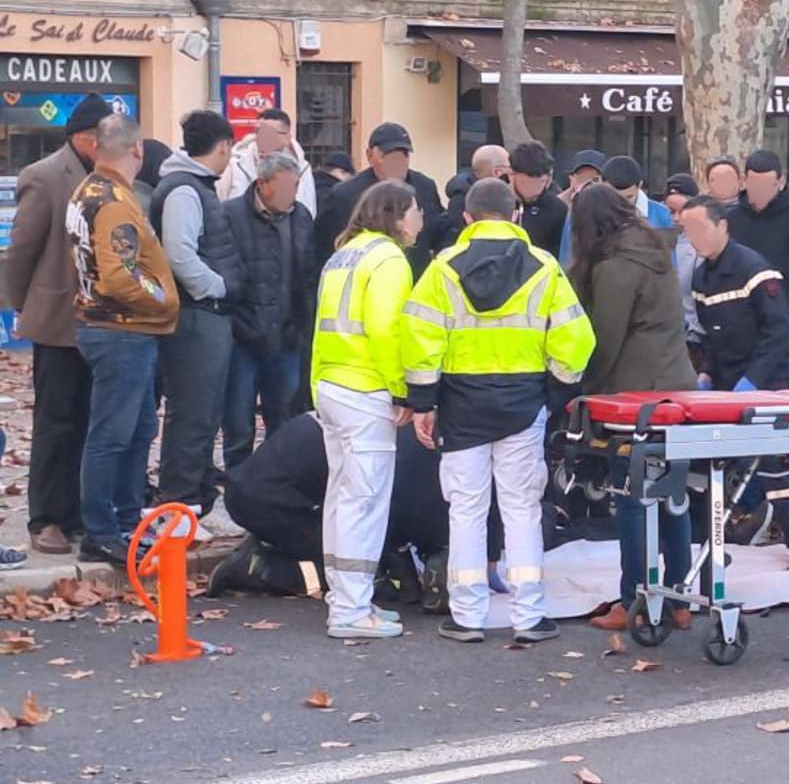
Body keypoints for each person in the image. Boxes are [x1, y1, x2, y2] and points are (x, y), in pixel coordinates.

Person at [402, 177, 596, 646]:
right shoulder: (544, 267)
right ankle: (529, 615)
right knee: (521, 506)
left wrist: (424, 402)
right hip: (523, 403)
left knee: (466, 508)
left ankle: (467, 616)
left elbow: (419, 340)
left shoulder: (443, 267)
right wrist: (553, 393)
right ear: (514, 216)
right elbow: (576, 341)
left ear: (467, 217)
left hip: (461, 404)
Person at [208, 411, 504, 608]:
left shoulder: (421, 431)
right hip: (268, 499)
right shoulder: (429, 480)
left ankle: (276, 553)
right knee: (356, 570)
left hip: (270, 485)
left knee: (380, 560)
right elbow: (393, 524)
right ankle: (259, 567)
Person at [569, 185, 699, 633]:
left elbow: (605, 340)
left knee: (632, 499)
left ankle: (634, 598)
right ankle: (680, 599)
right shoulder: (655, 251)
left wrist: (586, 389)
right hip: (678, 388)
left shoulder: (615, 267)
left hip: (635, 397)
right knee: (675, 496)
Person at [680, 196, 789, 568]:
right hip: (728, 383)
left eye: (699, 229)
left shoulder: (754, 269)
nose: (694, 238)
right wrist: (707, 372)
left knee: (779, 470)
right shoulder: (701, 275)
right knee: (713, 465)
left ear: (722, 226)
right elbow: (710, 333)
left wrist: (753, 380)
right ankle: (711, 540)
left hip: (767, 381)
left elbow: (780, 331)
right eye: (687, 231)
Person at [311, 179, 423, 638]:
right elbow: (385, 329)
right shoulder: (389, 258)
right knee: (365, 501)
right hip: (367, 388)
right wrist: (403, 390)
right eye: (415, 211)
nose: (420, 220)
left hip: (333, 384)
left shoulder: (345, 253)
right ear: (396, 216)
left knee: (341, 497)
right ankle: (353, 612)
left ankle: (344, 597)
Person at [68, 116, 179, 565]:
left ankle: (127, 521)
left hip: (112, 328)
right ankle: (104, 529)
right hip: (122, 330)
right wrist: (165, 300)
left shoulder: (87, 190)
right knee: (113, 433)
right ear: (137, 150)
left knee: (135, 430)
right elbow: (120, 276)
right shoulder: (114, 200)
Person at [4, 95, 110, 554]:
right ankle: (45, 518)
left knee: (90, 421)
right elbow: (21, 251)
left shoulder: (110, 177)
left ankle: (77, 514)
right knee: (56, 421)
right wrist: (20, 313)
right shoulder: (45, 176)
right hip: (58, 321)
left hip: (103, 323)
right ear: (85, 139)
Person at [152, 110, 244, 516]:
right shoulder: (185, 191)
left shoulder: (192, 186)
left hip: (204, 316)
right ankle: (181, 502)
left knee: (204, 411)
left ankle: (197, 496)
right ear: (223, 146)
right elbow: (180, 255)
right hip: (196, 316)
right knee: (192, 411)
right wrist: (217, 287)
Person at [223, 152, 314, 472]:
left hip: (288, 337)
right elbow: (226, 272)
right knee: (238, 419)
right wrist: (241, 323)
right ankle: (238, 480)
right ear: (263, 184)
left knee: (285, 418)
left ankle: (276, 481)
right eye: (288, 185)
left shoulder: (301, 216)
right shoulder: (231, 216)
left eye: (297, 185)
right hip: (243, 337)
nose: (294, 193)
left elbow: (308, 272)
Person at [728, 149, 789, 383]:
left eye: (767, 184)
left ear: (781, 183)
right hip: (740, 339)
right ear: (744, 182)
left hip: (785, 338)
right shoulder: (733, 219)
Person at [312, 123, 445, 280]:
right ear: (370, 156)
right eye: (389, 156)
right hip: (367, 285)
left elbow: (441, 231)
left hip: (416, 286)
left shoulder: (424, 187)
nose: (397, 163)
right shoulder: (345, 195)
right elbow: (323, 248)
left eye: (404, 155)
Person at [222, 108, 317, 217]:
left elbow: (309, 212)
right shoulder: (235, 166)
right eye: (258, 132)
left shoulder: (302, 169)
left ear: (286, 138)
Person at [430, 144, 510, 255]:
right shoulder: (463, 202)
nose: (512, 175)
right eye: (510, 168)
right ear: (497, 172)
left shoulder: (459, 197)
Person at [662, 172, 704, 354]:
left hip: (696, 339)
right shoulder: (656, 240)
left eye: (683, 211)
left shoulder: (704, 242)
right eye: (671, 211)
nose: (677, 218)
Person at [509, 140, 568, 257]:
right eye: (525, 183)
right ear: (511, 175)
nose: (534, 190)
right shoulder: (494, 201)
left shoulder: (556, 209)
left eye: (541, 182)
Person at [556, 149, 607, 266]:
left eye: (594, 180)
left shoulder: (612, 208)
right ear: (571, 179)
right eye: (582, 178)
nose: (588, 184)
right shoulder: (558, 206)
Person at [602, 155, 673, 229]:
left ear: (640, 185)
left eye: (629, 197)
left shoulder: (661, 214)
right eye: (614, 197)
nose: (621, 203)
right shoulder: (593, 213)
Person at [313, 152, 355, 220]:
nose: (351, 178)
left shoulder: (310, 184)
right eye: (350, 174)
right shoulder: (337, 193)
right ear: (341, 172)